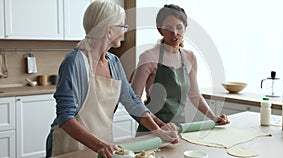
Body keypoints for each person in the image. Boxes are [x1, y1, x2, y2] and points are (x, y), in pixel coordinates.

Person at [45, 1, 179, 157]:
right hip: (70, 146)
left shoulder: (114, 62)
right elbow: (66, 118)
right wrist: (100, 145)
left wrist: (160, 130)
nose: (124, 32)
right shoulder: (75, 61)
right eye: (122, 27)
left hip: (102, 145)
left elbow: (132, 102)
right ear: (109, 30)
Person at [131, 4, 230, 135]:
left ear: (185, 28)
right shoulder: (149, 57)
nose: (175, 33)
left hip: (178, 130)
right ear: (160, 30)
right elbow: (134, 99)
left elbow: (195, 95)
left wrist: (213, 117)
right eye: (168, 28)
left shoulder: (190, 57)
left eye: (179, 27)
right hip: (151, 131)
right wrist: (158, 125)